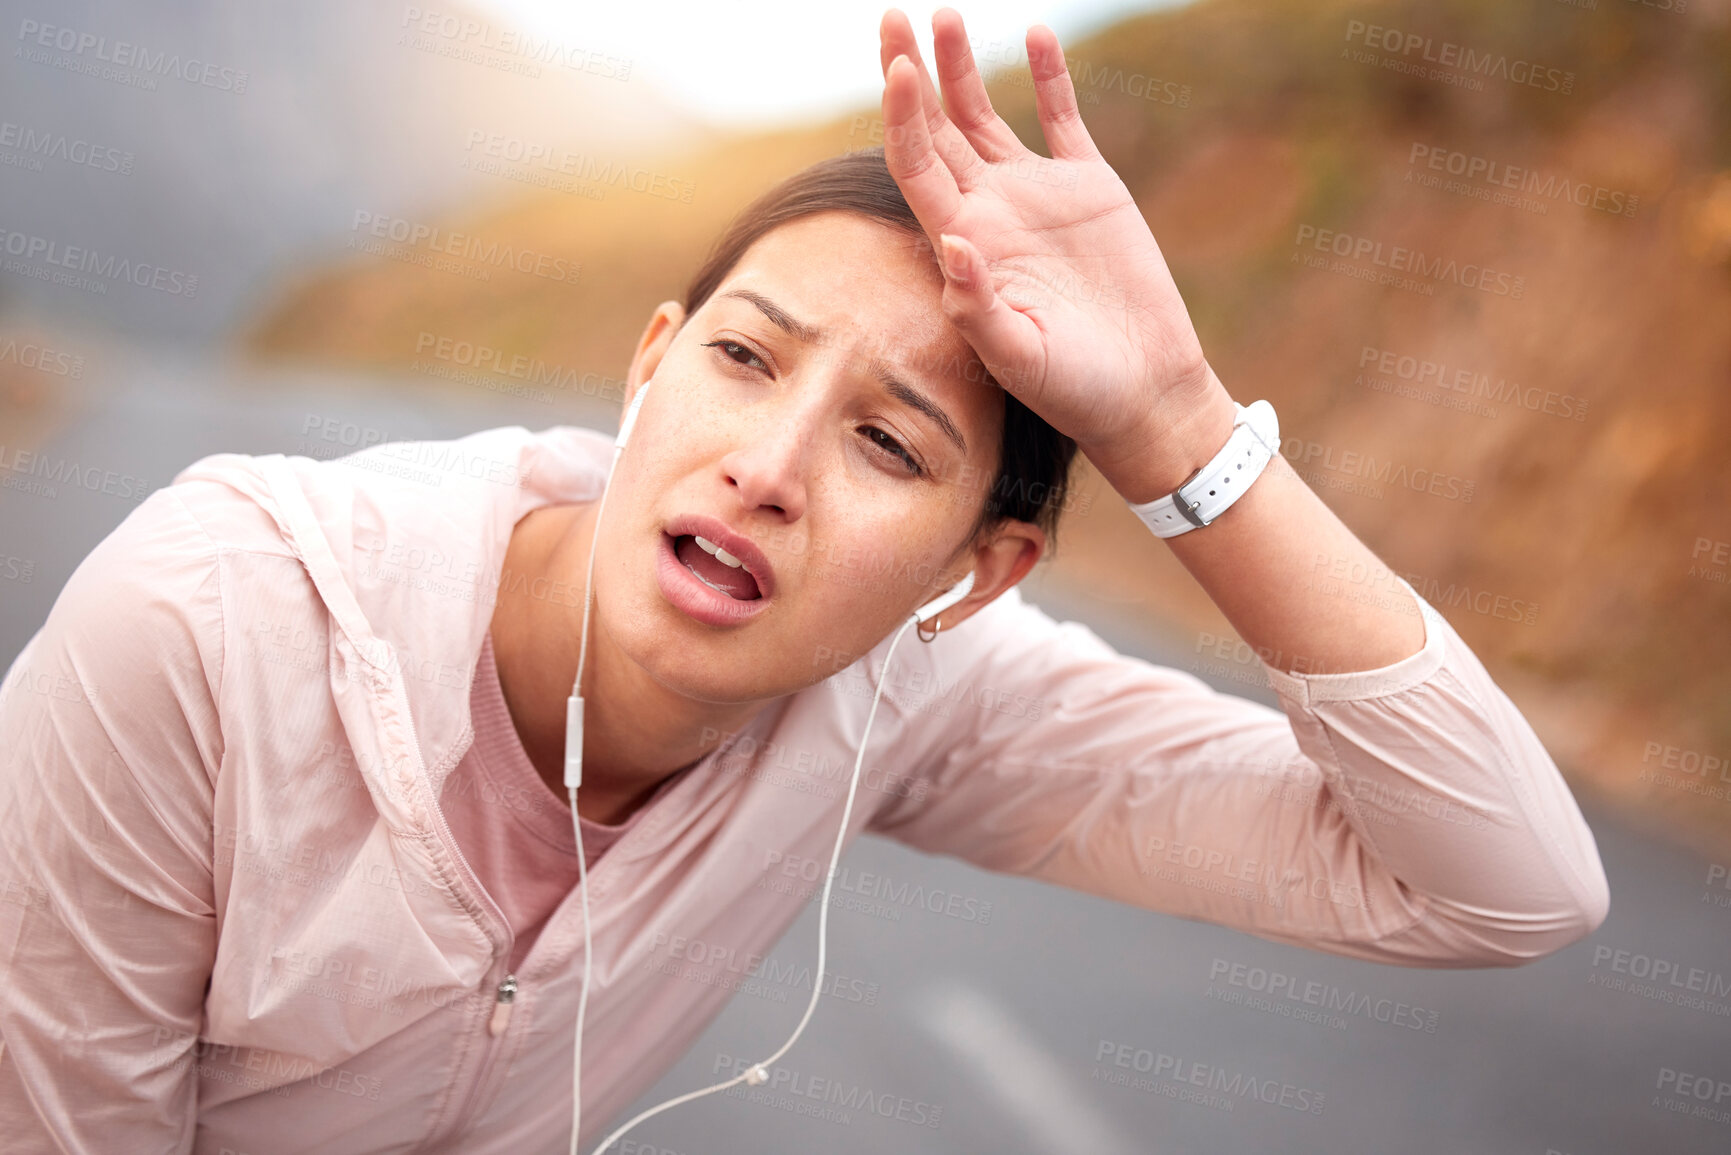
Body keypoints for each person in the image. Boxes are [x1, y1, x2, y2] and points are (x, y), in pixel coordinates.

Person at [0, 9, 1608, 1152]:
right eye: (744, 356)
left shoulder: (911, 694)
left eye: (890, 447)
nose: (766, 465)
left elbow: (1500, 888)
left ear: (983, 579)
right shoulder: (207, 630)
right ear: (649, 367)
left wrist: (1177, 422)